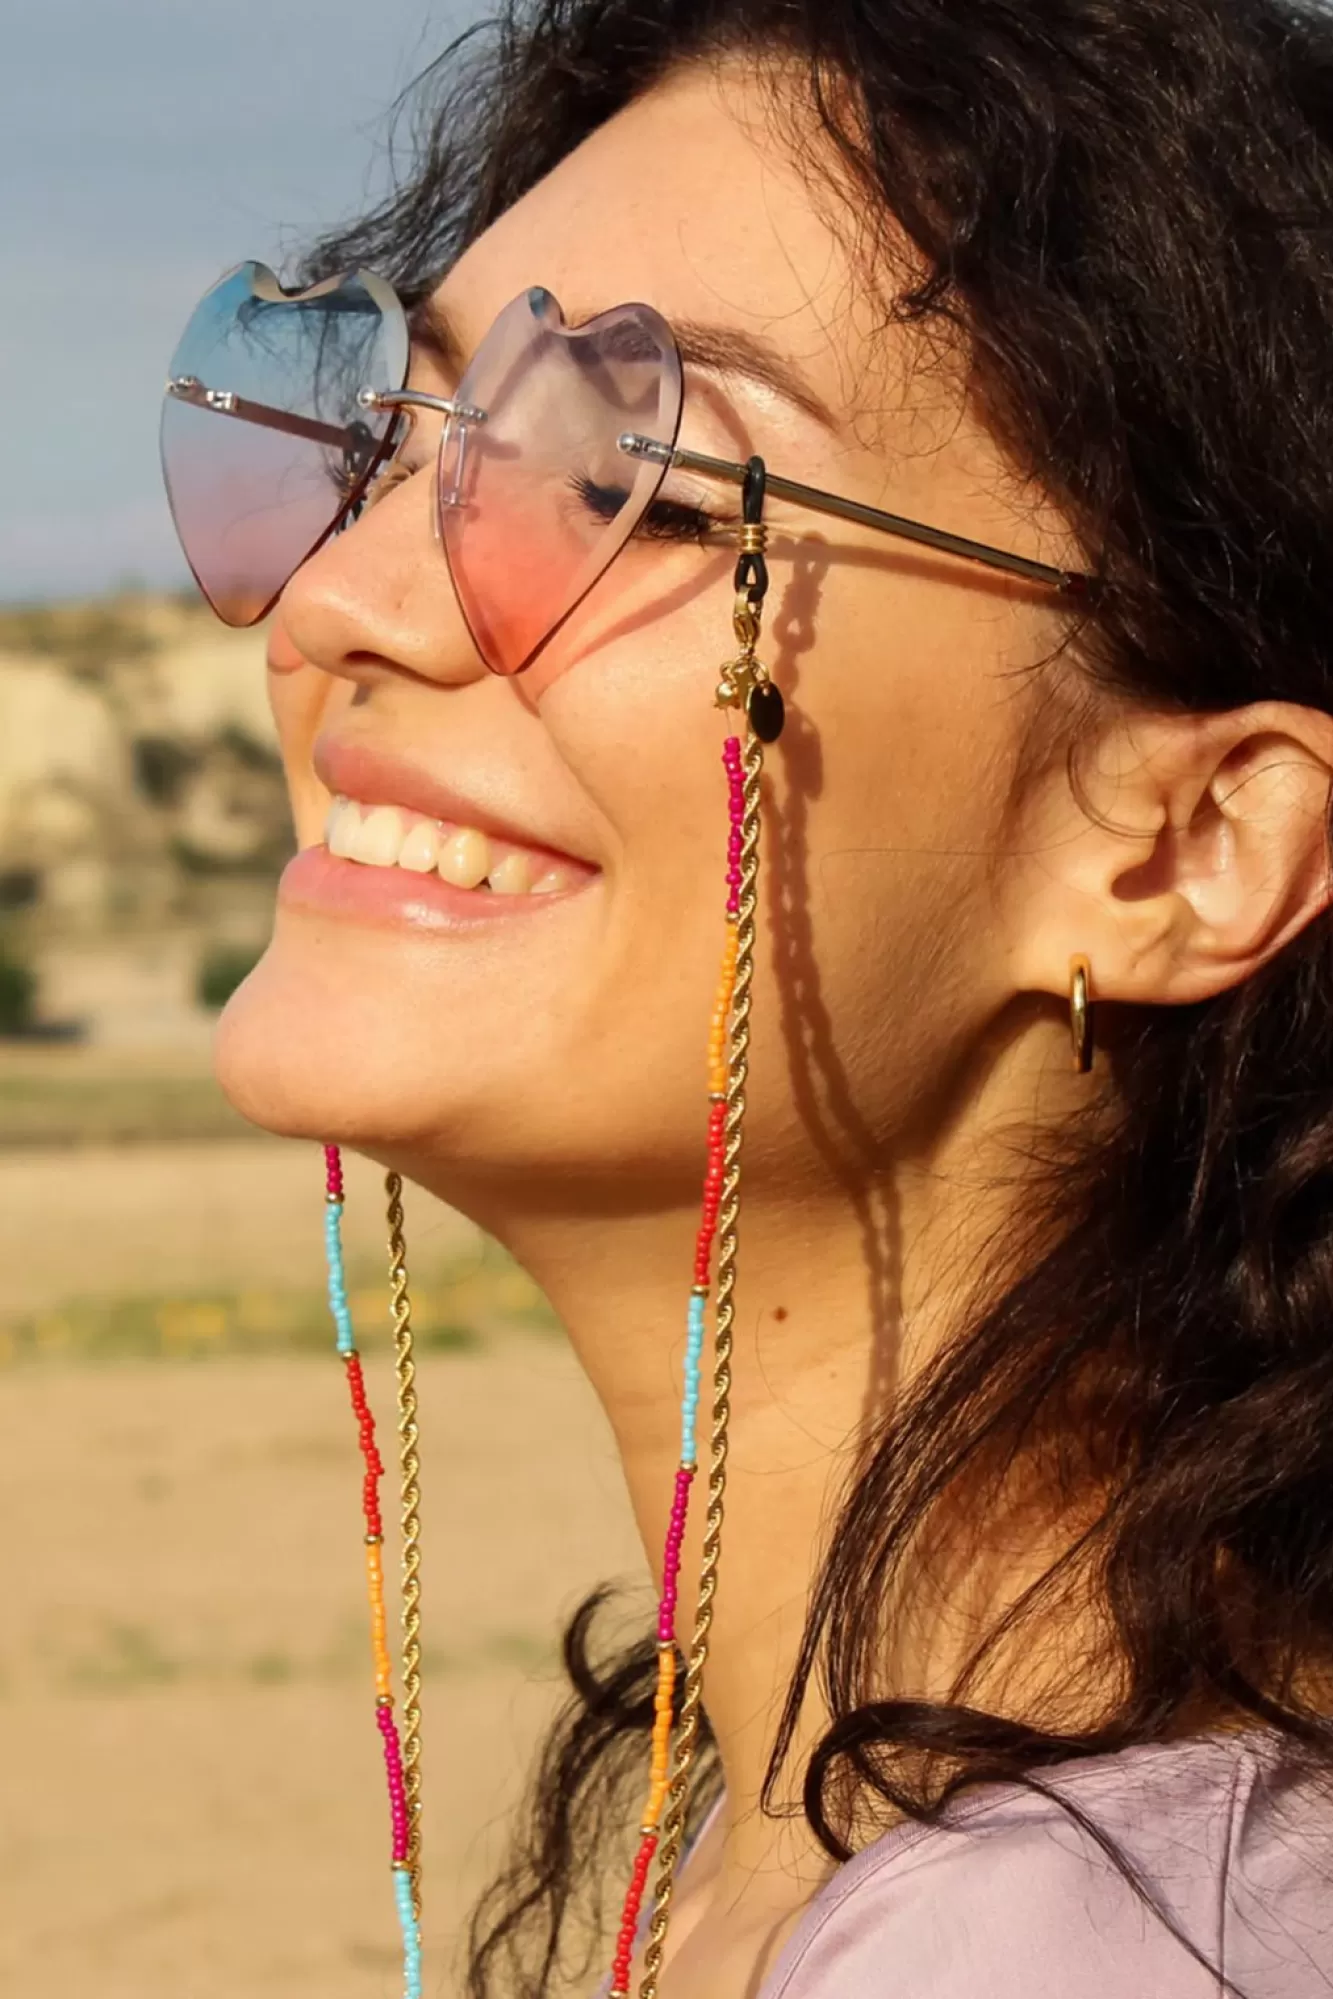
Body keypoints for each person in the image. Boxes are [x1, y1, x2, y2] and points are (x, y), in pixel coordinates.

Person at [162, 0, 1333, 1992]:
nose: (347, 598)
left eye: (655, 486)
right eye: (391, 440)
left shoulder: (1081, 1940)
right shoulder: (856, 1834)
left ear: (1188, 845)